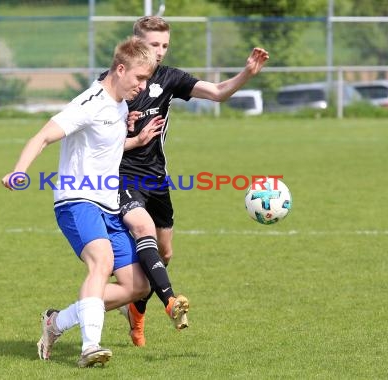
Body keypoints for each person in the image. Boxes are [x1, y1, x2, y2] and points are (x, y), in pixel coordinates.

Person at [1, 36, 161, 368]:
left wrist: (135, 140)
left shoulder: (119, 105)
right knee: (101, 263)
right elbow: (43, 136)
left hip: (108, 204)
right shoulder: (89, 102)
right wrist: (18, 171)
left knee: (137, 285)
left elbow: (105, 148)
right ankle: (90, 347)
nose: (143, 86)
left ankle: (56, 323)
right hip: (77, 198)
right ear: (120, 69)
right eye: (139, 78)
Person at [117, 16, 270, 347]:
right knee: (143, 231)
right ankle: (167, 303)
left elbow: (216, 92)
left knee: (166, 253)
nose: (159, 51)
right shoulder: (117, 80)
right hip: (122, 177)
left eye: (164, 45)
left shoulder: (170, 78)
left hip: (157, 178)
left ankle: (133, 307)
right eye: (153, 44)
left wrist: (246, 74)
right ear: (135, 42)